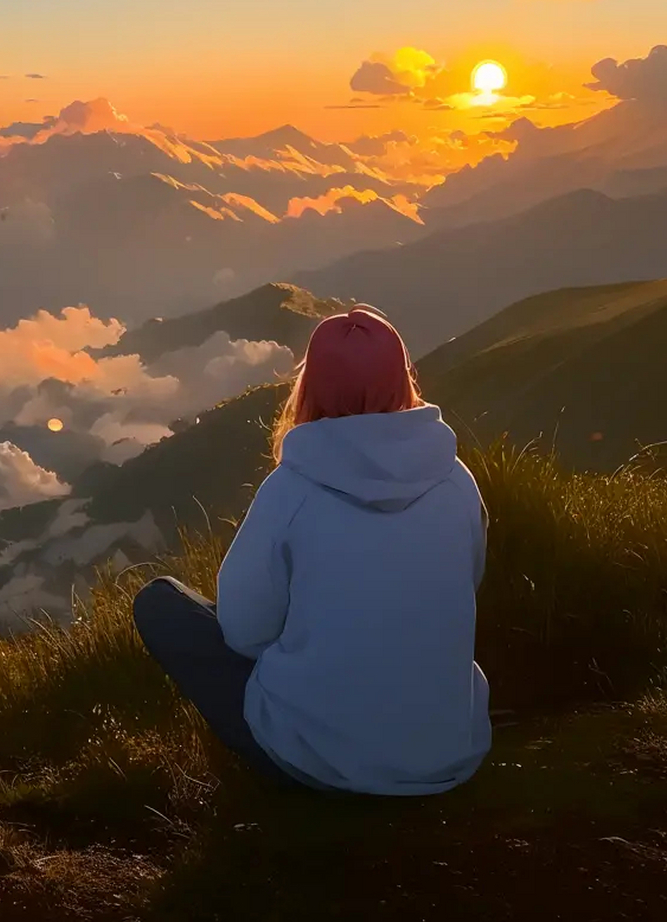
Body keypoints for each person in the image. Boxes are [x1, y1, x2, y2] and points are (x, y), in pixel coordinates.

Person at [131, 304, 491, 796]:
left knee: (161, 604)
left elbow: (243, 632)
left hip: (318, 761)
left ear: (311, 387)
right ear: (403, 378)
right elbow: (464, 586)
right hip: (447, 752)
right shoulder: (457, 481)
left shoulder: (292, 490)